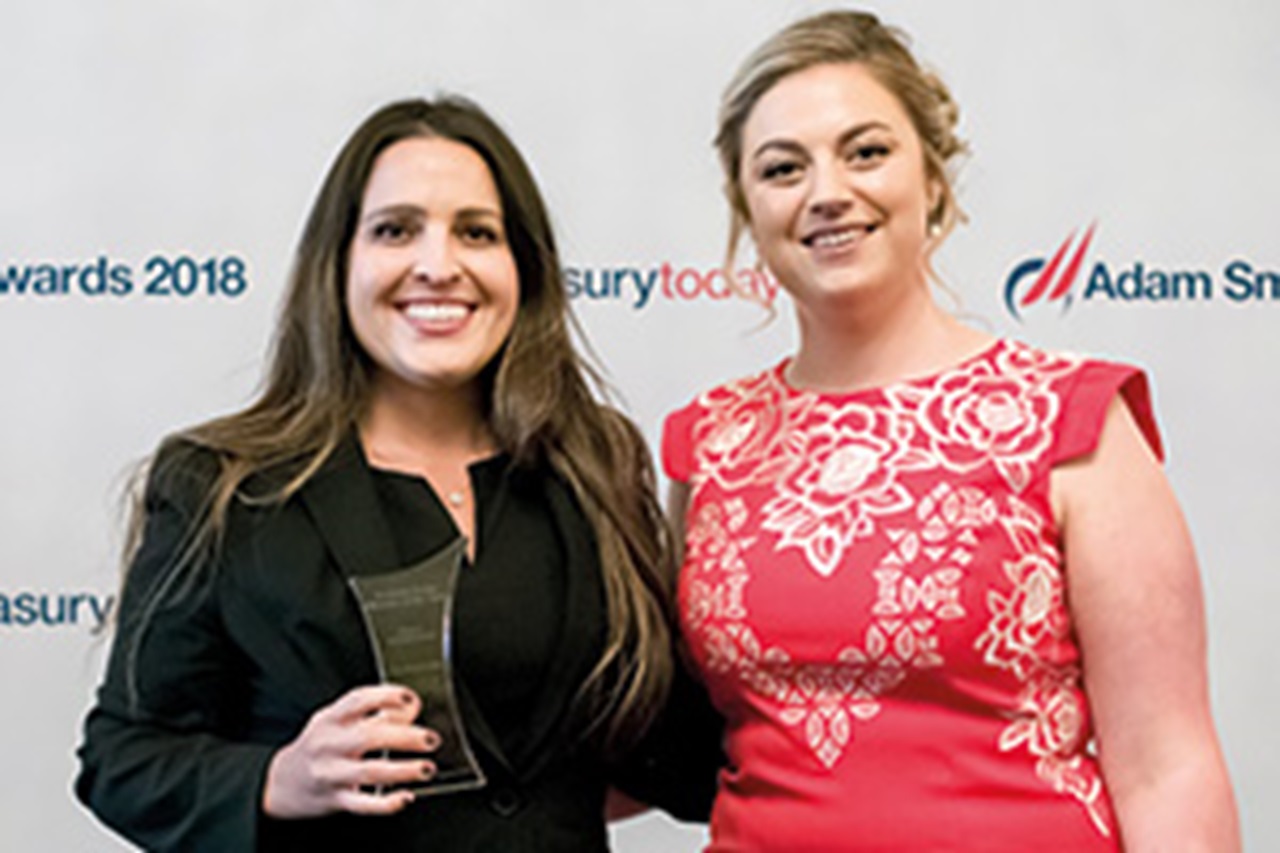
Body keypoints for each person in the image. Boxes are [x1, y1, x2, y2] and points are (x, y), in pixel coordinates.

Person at [661, 10, 1240, 851]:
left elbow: (1167, 766)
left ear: (932, 179)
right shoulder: (711, 444)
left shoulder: (1070, 421)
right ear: (747, 210)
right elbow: (664, 739)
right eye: (783, 168)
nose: (827, 192)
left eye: (866, 152)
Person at [75, 96, 698, 852]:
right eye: (395, 230)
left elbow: (663, 748)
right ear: (338, 264)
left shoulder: (593, 462)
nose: (438, 266)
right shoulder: (224, 485)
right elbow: (122, 760)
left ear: (523, 269)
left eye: (477, 232)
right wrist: (280, 777)